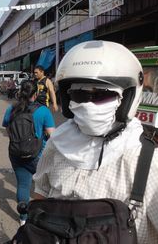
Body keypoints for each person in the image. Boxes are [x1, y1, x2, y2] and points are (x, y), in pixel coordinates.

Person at [33, 41, 158, 243]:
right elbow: (40, 196)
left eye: (101, 95)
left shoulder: (147, 157)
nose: (88, 105)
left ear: (127, 98)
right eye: (79, 94)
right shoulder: (58, 143)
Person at [2, 80, 55, 226]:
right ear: (36, 93)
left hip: (16, 153)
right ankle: (44, 217)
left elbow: (8, 130)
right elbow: (52, 136)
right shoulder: (43, 110)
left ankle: (23, 219)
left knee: (23, 185)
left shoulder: (11, 109)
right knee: (47, 188)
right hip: (39, 155)